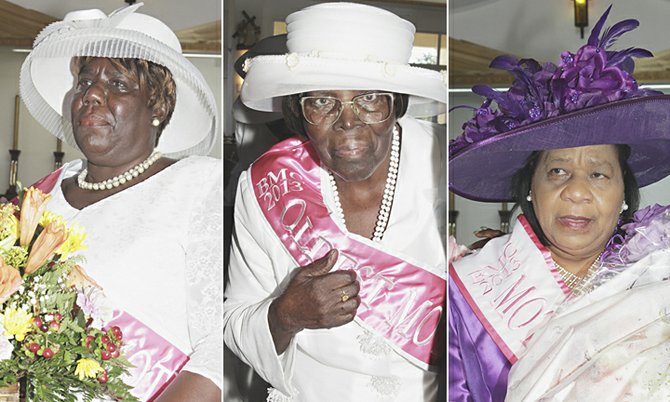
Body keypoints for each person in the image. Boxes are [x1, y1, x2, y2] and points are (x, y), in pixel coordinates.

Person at [224, 2, 447, 401]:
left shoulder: (444, 163)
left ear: (395, 103)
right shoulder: (264, 184)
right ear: (299, 109)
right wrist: (285, 315)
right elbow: (235, 319)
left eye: (370, 98)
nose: (347, 121)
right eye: (323, 101)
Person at [448, 6, 670, 401]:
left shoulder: (656, 276)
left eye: (599, 174)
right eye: (557, 172)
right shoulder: (469, 291)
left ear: (623, 193)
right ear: (531, 188)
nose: (577, 191)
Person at [19, 4, 221, 401]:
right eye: (84, 81)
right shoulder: (40, 197)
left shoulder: (198, 185)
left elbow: (218, 351)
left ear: (159, 107)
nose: (91, 94)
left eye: (119, 83)